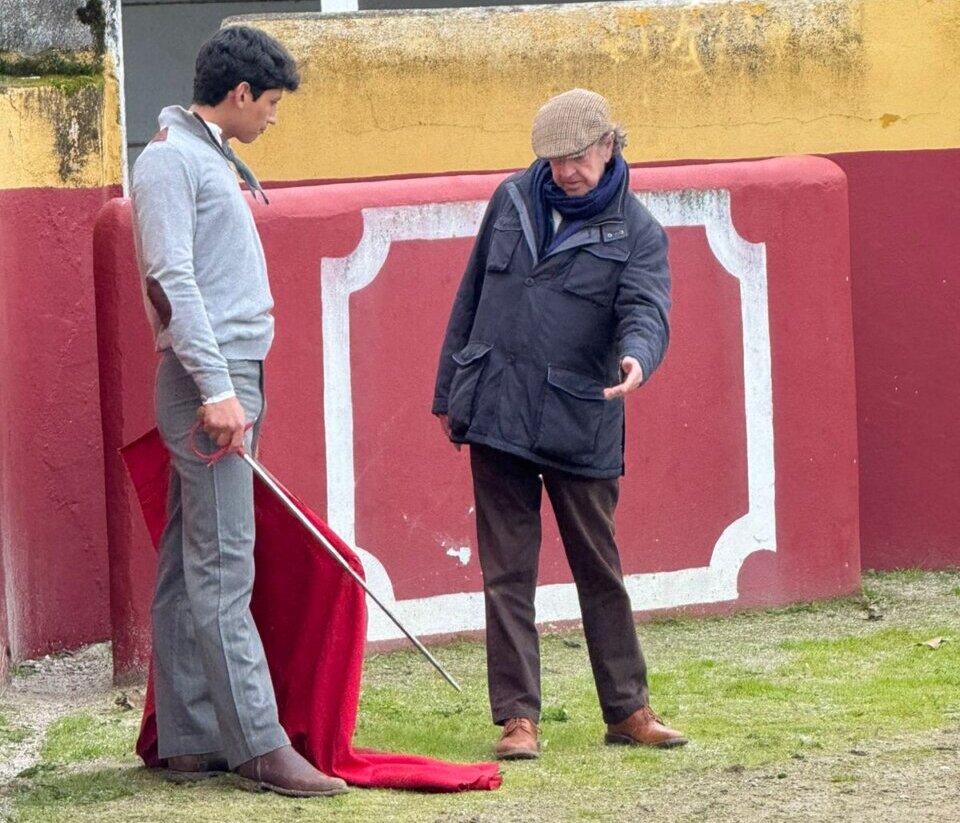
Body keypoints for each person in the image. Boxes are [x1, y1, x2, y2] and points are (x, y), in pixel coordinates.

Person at [433, 89, 687, 760]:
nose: (565, 170)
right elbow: (470, 298)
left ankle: (628, 709)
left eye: (577, 157)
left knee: (598, 568)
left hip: (584, 413)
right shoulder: (512, 200)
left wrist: (638, 358)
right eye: (553, 159)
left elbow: (647, 309)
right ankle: (518, 717)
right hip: (497, 409)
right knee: (506, 571)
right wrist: (450, 394)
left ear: (609, 145)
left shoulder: (640, 231)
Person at [131, 26, 348, 797]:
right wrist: (219, 388)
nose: (274, 120)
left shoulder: (199, 153)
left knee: (191, 561)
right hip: (209, 379)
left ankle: (191, 736)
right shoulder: (170, 159)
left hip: (220, 372)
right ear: (241, 93)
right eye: (273, 104)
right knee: (224, 565)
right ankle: (258, 743)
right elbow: (171, 279)